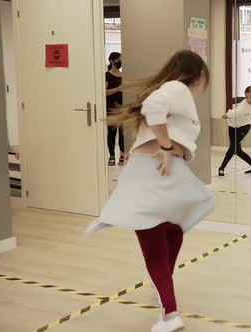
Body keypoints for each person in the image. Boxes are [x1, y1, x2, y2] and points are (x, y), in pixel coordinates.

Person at [87, 50, 215, 332]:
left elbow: (157, 116)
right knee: (158, 238)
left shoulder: (178, 95)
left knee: (173, 231)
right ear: (199, 74)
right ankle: (169, 312)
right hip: (151, 171)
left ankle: (165, 297)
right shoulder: (177, 89)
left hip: (163, 172)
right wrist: (167, 146)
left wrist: (169, 148)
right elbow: (153, 107)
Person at [218, 86, 251, 176]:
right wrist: (227, 115)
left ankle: (221, 168)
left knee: (233, 147)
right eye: (247, 97)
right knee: (237, 150)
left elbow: (234, 113)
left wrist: (227, 114)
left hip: (244, 126)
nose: (249, 100)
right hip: (233, 125)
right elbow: (235, 113)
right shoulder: (244, 106)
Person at [106, 52, 127, 166]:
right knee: (111, 133)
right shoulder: (106, 76)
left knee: (123, 134)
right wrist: (118, 89)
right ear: (111, 61)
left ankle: (122, 155)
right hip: (111, 109)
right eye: (118, 60)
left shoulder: (123, 75)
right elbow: (104, 92)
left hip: (123, 108)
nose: (120, 62)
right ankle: (112, 156)